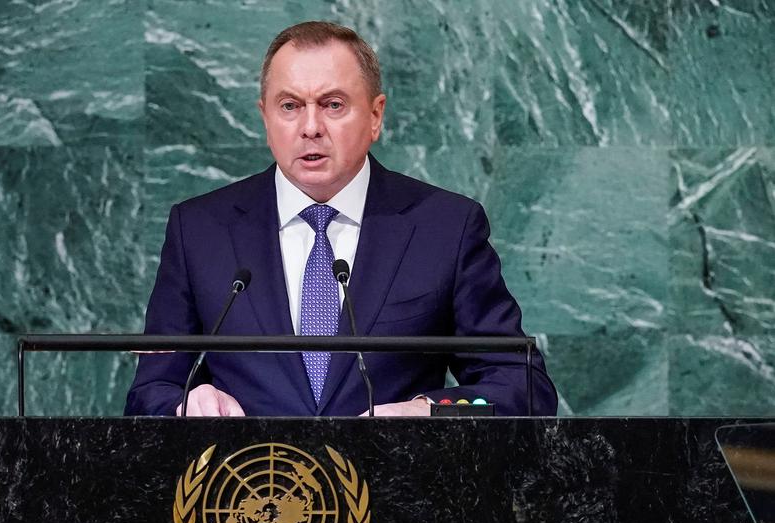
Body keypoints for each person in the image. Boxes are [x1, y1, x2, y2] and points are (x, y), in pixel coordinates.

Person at [125, 21, 557, 417]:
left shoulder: (445, 227)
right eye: (290, 106)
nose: (310, 127)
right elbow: (151, 391)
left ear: (375, 116)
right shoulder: (200, 230)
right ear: (265, 118)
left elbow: (522, 385)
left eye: (332, 105)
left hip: (399, 491)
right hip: (250, 492)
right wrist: (186, 402)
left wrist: (428, 411)